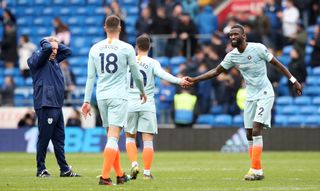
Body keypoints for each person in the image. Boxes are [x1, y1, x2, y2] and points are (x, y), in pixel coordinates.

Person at [185, 24, 302, 181]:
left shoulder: (258, 48)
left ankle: (253, 169)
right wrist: (195, 79)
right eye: (230, 35)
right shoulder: (232, 56)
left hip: (265, 94)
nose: (232, 37)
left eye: (235, 34)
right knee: (248, 134)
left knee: (255, 130)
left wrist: (293, 80)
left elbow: (277, 63)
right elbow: (216, 71)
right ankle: (258, 170)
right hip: (250, 96)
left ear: (244, 36)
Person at [81, 15, 146, 186]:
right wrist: (141, 90)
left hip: (101, 96)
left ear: (104, 27)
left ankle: (120, 174)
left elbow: (90, 77)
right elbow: (136, 74)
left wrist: (86, 101)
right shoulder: (126, 48)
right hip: (118, 96)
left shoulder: (94, 48)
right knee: (114, 138)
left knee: (111, 136)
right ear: (120, 28)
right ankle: (104, 177)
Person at [125, 34, 190, 180]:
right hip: (147, 103)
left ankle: (134, 163)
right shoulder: (153, 63)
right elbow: (163, 75)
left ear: (136, 47)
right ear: (149, 47)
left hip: (129, 103)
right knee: (147, 139)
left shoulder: (128, 62)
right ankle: (147, 173)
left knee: (130, 137)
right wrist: (180, 81)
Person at [27, 36, 80, 177]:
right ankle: (41, 169)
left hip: (56, 105)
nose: (55, 51)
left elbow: (68, 51)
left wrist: (56, 43)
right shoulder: (37, 60)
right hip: (45, 104)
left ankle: (64, 169)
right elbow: (48, 48)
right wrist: (46, 41)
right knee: (44, 138)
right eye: (52, 49)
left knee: (59, 139)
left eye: (57, 49)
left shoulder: (54, 60)